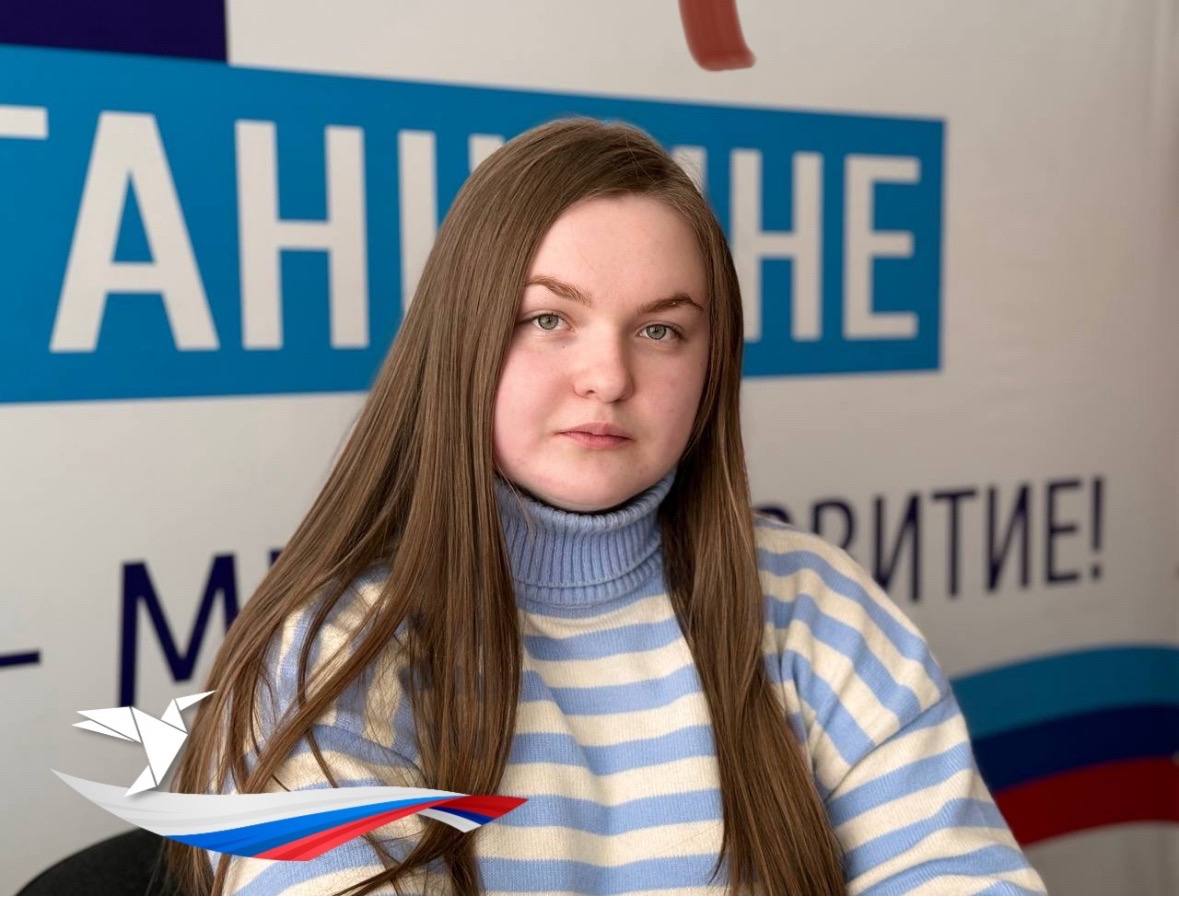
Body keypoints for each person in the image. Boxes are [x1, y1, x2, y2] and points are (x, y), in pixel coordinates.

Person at [168, 116, 1047, 895]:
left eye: (660, 330)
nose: (609, 376)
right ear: (463, 336)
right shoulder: (334, 651)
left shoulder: (816, 606)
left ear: (710, 367)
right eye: (549, 319)